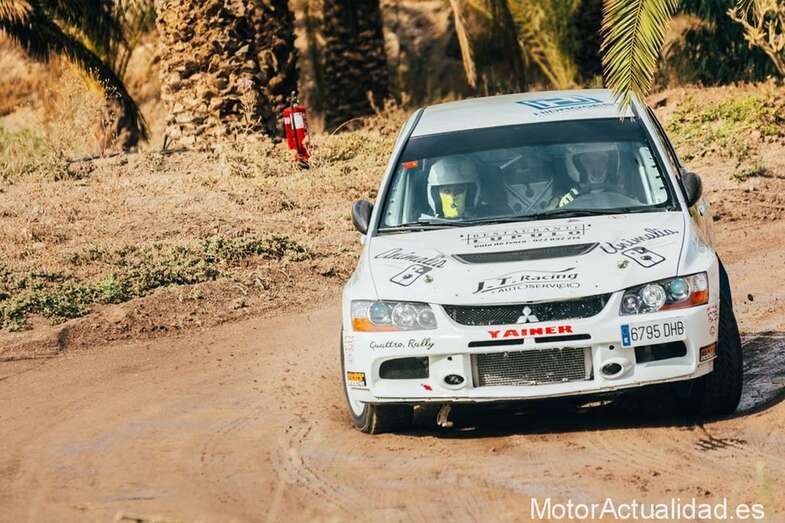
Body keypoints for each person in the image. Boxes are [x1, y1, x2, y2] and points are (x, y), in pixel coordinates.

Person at [550, 143, 621, 208]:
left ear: (612, 162)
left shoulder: (623, 188)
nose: (596, 169)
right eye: (588, 161)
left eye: (602, 160)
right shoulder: (564, 196)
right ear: (576, 165)